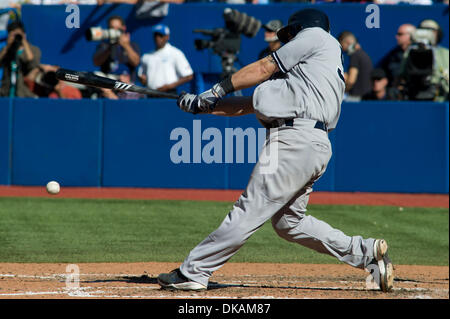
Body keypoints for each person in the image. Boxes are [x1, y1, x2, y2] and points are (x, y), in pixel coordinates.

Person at [157, 9, 394, 293]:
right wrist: (202, 105)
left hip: (294, 141)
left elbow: (262, 68)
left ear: (304, 28)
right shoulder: (308, 75)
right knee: (288, 223)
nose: (287, 42)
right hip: (311, 143)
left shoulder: (318, 37)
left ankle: (194, 271)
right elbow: (249, 104)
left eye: (291, 34)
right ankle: (366, 252)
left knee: (250, 207)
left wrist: (218, 89)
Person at [138, 24, 193, 94]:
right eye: (156, 35)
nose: (157, 38)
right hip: (151, 94)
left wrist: (168, 86)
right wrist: (143, 80)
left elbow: (188, 76)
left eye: (160, 35)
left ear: (167, 37)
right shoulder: (146, 56)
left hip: (168, 94)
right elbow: (142, 77)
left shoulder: (175, 53)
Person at [92, 15, 140, 83]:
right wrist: (110, 47)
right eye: (112, 28)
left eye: (117, 28)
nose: (114, 31)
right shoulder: (104, 45)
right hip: (108, 85)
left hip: (127, 86)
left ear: (123, 28)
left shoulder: (132, 45)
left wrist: (126, 45)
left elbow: (136, 62)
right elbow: (96, 62)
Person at [0, 20, 40, 97]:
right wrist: (8, 45)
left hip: (25, 92)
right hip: (6, 92)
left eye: (18, 34)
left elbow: (32, 63)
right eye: (13, 35)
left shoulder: (33, 49)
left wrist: (24, 41)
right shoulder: (6, 50)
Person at [338, 31, 373, 101]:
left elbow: (351, 81)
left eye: (342, 45)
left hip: (357, 98)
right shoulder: (363, 54)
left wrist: (342, 92)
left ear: (347, 42)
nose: (342, 49)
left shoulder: (355, 55)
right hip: (364, 97)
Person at [379, 24, 416, 88]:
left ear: (411, 36)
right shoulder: (393, 55)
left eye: (400, 34)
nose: (396, 37)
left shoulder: (423, 53)